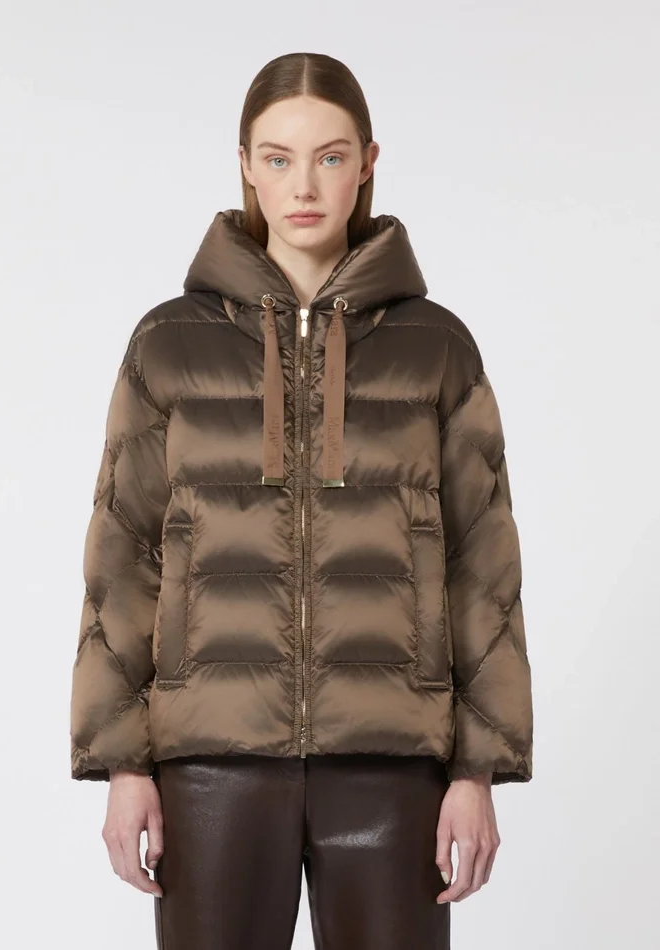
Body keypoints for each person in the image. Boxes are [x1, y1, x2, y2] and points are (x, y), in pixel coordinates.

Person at [69, 51, 533, 950]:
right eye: (278, 158)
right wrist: (123, 762)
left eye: (329, 156)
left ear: (367, 162)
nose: (304, 185)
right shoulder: (169, 342)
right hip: (210, 759)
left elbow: (482, 565)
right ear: (245, 164)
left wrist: (475, 772)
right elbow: (123, 558)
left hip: (392, 759)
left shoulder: (436, 347)